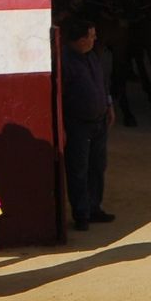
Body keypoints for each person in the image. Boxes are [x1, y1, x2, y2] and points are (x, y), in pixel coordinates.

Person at [59, 16, 114, 230]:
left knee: (97, 166)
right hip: (78, 125)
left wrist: (109, 104)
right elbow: (60, 96)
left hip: (98, 121)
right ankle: (82, 213)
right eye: (91, 36)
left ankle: (94, 207)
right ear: (80, 40)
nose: (94, 39)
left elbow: (102, 81)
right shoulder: (65, 61)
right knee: (79, 169)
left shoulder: (91, 56)